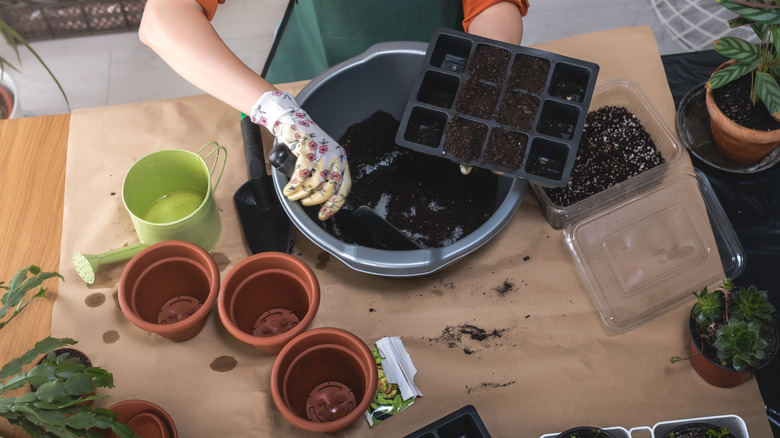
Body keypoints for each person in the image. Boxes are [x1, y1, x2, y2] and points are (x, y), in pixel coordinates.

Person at [139, 0, 529, 220]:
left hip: (450, 64)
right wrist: (280, 114)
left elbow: (493, 6)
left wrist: (485, 86)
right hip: (316, 61)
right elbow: (162, 20)